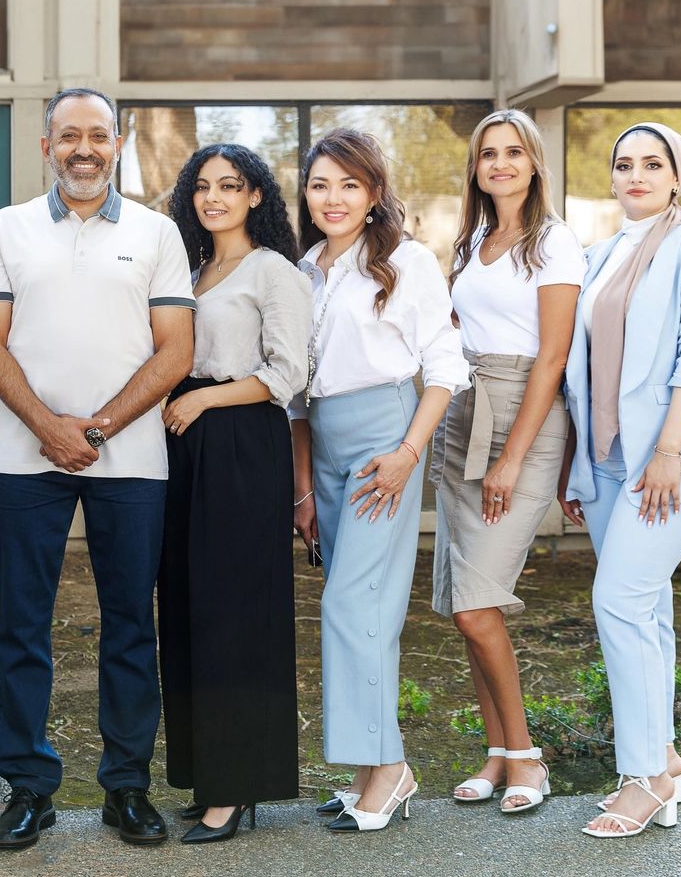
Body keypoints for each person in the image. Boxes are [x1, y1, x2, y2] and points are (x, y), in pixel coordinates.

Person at [0, 88, 195, 850]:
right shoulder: (7, 228)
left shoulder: (158, 232)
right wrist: (46, 427)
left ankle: (125, 788)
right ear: (47, 146)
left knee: (131, 624)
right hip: (24, 458)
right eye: (69, 136)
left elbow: (176, 352)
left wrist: (93, 429)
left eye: (98, 135)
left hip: (130, 459)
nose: (84, 149)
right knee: (23, 626)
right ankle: (29, 788)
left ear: (118, 145)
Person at [288, 128, 469, 834]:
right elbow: (298, 397)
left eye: (349, 185)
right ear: (305, 193)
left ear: (373, 194)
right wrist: (302, 488)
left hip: (386, 435)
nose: (333, 199)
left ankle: (388, 769)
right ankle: (370, 768)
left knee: (354, 604)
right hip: (325, 438)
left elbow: (447, 367)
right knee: (358, 606)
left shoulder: (406, 261)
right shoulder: (303, 269)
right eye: (320, 185)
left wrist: (405, 453)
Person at [560, 122, 681, 839]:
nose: (637, 174)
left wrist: (669, 449)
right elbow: (584, 374)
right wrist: (579, 466)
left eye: (653, 163)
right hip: (605, 463)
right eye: (624, 163)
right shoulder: (600, 254)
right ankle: (664, 757)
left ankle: (643, 776)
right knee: (649, 612)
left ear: (677, 176)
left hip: (667, 463)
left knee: (619, 602)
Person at [157, 143, 310, 844]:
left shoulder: (273, 270)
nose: (214, 196)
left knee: (237, 615)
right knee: (190, 608)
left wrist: (206, 403)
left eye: (231, 185)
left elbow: (287, 375)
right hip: (187, 444)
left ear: (256, 197)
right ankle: (206, 773)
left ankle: (238, 787)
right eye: (203, 186)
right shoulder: (192, 270)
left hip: (242, 442)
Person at [432, 110, 584, 813]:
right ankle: (496, 755)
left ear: (534, 162)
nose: (499, 163)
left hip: (524, 412)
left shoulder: (553, 243)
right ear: (476, 166)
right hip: (466, 409)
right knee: (469, 602)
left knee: (478, 604)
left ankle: (527, 758)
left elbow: (552, 356)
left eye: (513, 152)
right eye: (488, 153)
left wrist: (512, 459)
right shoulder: (472, 242)